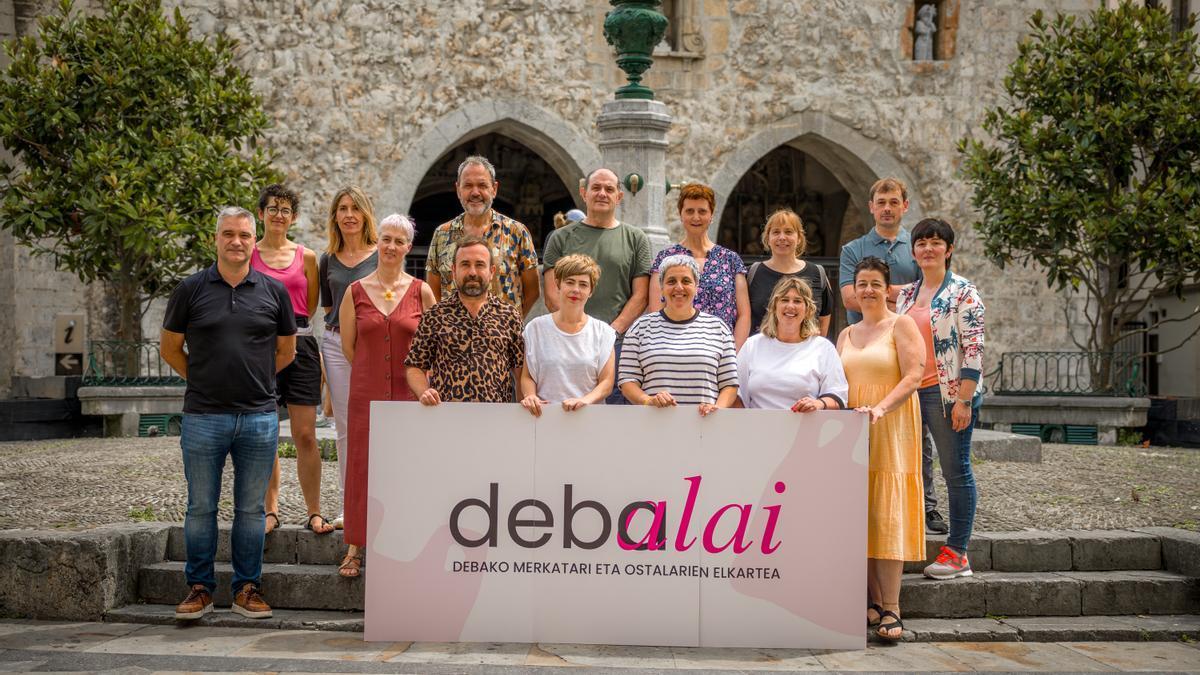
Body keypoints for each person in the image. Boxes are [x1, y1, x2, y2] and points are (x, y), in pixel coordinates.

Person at [160, 207, 297, 621]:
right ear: (215, 239)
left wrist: (253, 381)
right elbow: (170, 348)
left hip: (258, 416)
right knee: (200, 506)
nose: (236, 241)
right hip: (203, 416)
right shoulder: (190, 289)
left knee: (252, 509)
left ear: (254, 240)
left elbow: (287, 351)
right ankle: (199, 588)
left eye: (243, 235)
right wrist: (202, 380)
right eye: (228, 234)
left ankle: (246, 589)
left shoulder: (274, 292)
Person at [839, 178, 945, 535]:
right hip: (865, 352)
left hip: (909, 348)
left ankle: (926, 506)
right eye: (880, 201)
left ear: (905, 205)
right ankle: (855, 505)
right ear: (871, 206)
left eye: (893, 201)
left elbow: (928, 292)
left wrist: (883, 293)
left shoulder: (914, 249)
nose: (887, 207)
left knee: (916, 437)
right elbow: (851, 299)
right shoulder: (853, 249)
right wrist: (902, 293)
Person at [336, 214, 435, 578]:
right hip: (367, 393)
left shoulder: (422, 291)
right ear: (377, 242)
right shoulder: (355, 292)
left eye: (399, 241)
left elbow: (432, 345)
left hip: (410, 396)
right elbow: (349, 347)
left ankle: (407, 543)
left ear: (408, 247)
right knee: (363, 466)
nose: (391, 246)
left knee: (409, 469)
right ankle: (355, 547)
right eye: (386, 239)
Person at [836, 257, 925, 642]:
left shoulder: (901, 324)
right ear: (853, 290)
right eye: (861, 283)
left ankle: (892, 606)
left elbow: (914, 374)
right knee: (860, 510)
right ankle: (869, 601)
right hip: (853, 430)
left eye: (875, 283)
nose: (868, 289)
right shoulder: (845, 333)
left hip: (889, 425)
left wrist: (881, 408)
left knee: (887, 511)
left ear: (887, 289)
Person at [897, 218, 986, 581]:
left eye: (936, 243)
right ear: (913, 250)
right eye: (921, 243)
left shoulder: (964, 292)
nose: (928, 249)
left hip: (948, 395)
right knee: (912, 471)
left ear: (948, 250)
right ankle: (909, 543)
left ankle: (957, 552)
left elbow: (975, 348)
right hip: (911, 392)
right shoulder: (906, 295)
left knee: (956, 471)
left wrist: (964, 399)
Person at [251, 184, 331, 537]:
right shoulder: (249, 254)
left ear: (293, 216)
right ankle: (271, 509)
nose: (279, 215)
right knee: (265, 432)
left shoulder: (307, 257)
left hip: (300, 345)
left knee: (305, 435)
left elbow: (310, 304)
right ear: (261, 214)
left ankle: (314, 510)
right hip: (258, 349)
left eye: (285, 210)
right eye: (273, 208)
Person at [542, 168, 651, 404]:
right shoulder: (560, 238)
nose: (602, 193)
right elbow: (551, 294)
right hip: (566, 341)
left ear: (619, 196)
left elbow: (641, 295)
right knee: (565, 408)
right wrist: (576, 332)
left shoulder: (636, 238)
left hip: (616, 343)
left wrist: (610, 333)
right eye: (596, 188)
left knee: (612, 418)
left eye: (609, 189)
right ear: (584, 192)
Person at [318, 186, 379, 530]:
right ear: (335, 215)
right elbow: (329, 308)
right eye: (342, 208)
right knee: (345, 428)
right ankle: (349, 505)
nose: (349, 214)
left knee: (378, 425)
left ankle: (380, 501)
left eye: (355, 208)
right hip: (337, 344)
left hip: (373, 347)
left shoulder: (378, 255)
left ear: (365, 214)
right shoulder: (327, 259)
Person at [406, 236, 525, 405]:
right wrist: (424, 392)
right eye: (465, 264)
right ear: (454, 270)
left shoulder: (509, 316)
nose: (472, 272)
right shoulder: (435, 316)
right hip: (446, 420)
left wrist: (523, 416)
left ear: (491, 271)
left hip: (496, 421)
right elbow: (415, 366)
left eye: (479, 264)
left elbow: (521, 372)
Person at [618, 254, 738, 415]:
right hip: (654, 425)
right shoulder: (640, 327)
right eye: (671, 281)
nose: (679, 287)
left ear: (697, 286)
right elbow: (627, 381)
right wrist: (648, 400)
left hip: (704, 427)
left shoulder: (719, 328)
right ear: (661, 287)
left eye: (686, 281)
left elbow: (729, 384)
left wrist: (717, 409)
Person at [425, 155, 540, 316]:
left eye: (482, 185)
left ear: (494, 189)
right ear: (458, 189)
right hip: (454, 337)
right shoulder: (441, 234)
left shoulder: (516, 232)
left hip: (502, 337)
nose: (475, 192)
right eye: (468, 185)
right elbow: (432, 290)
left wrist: (511, 323)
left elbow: (533, 290)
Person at [648, 183, 751, 349]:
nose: (696, 217)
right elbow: (655, 311)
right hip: (675, 349)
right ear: (680, 215)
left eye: (702, 211)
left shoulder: (731, 260)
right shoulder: (665, 259)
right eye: (689, 211)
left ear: (711, 215)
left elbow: (744, 315)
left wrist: (732, 355)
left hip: (720, 352)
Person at [519, 254, 616, 416]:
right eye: (570, 282)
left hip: (589, 418)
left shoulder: (603, 332)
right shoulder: (535, 328)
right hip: (544, 417)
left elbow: (606, 382)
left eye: (583, 284)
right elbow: (527, 376)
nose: (576, 290)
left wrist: (584, 401)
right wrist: (530, 396)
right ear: (558, 284)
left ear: (591, 291)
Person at [737, 276, 847, 411]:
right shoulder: (752, 345)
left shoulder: (824, 348)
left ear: (808, 310)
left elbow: (838, 395)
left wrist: (819, 403)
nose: (790, 306)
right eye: (784, 300)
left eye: (797, 301)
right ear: (774, 306)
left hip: (806, 429)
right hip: (758, 429)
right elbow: (736, 395)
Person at [747, 208, 834, 337]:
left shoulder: (817, 273)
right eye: (776, 232)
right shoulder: (752, 273)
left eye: (788, 232)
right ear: (767, 238)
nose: (782, 237)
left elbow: (823, 321)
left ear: (799, 238)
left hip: (804, 354)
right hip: (760, 354)